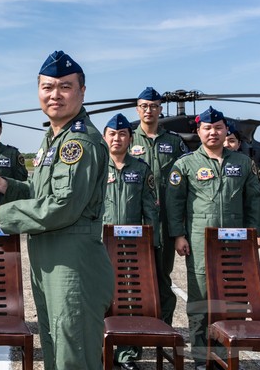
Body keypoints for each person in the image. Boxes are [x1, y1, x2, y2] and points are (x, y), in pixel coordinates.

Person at [0, 50, 114, 370]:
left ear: (82, 91)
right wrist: (5, 186)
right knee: (54, 348)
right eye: (47, 87)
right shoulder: (52, 139)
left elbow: (63, 206)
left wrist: (3, 215)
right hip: (49, 260)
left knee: (73, 356)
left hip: (72, 265)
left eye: (65, 87)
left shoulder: (80, 142)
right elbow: (40, 193)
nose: (55, 95)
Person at [166, 106, 260, 369]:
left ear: (226, 131)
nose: (213, 132)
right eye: (207, 128)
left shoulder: (243, 163)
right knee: (200, 301)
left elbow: (254, 200)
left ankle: (226, 354)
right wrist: (178, 235)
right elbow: (174, 203)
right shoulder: (185, 165)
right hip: (199, 242)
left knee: (233, 301)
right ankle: (200, 357)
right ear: (199, 131)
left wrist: (256, 233)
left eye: (218, 127)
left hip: (236, 243)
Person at [102, 113, 159, 370]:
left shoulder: (141, 169)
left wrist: (150, 243)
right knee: (101, 296)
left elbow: (150, 210)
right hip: (100, 245)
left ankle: (127, 354)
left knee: (130, 297)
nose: (117, 138)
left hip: (132, 246)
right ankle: (102, 349)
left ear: (130, 138)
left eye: (122, 134)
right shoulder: (96, 167)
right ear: (105, 137)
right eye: (112, 134)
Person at [129, 86, 188, 326]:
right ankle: (133, 330)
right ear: (137, 109)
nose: (149, 110)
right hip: (134, 220)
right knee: (132, 278)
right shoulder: (127, 138)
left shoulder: (174, 142)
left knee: (162, 277)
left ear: (160, 109)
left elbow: (185, 180)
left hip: (163, 221)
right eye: (144, 106)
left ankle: (163, 328)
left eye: (153, 106)